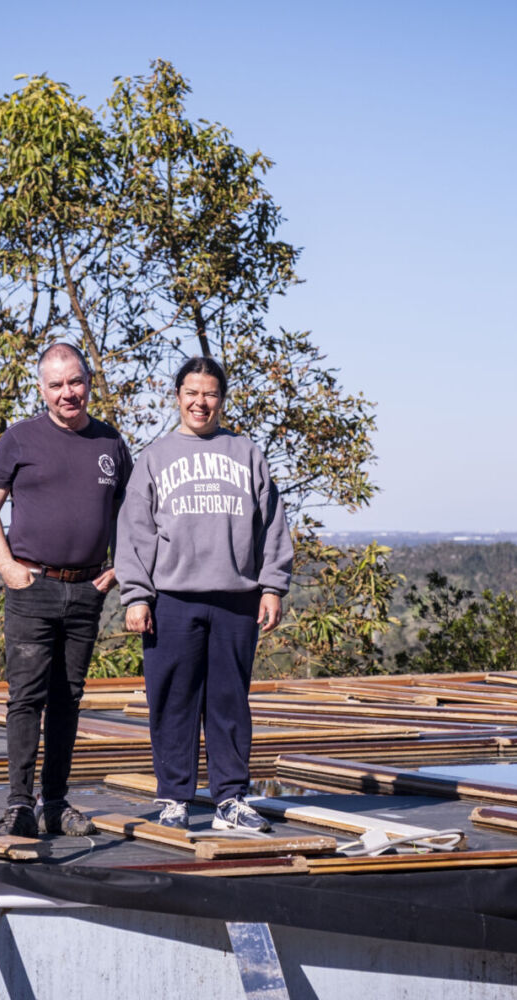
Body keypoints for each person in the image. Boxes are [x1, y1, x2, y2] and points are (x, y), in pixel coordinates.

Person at [115, 356, 292, 832]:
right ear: (178, 397)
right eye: (192, 392)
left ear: (222, 399)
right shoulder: (155, 457)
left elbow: (271, 524)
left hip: (237, 597)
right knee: (172, 701)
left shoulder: (247, 453)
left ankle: (231, 800)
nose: (201, 402)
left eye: (210, 393)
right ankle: (174, 799)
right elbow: (134, 532)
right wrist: (136, 595)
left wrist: (272, 585)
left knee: (230, 703)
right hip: (172, 599)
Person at [0, 342, 132, 837]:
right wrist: (6, 565)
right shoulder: (20, 439)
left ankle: (56, 803)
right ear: (42, 389)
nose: (69, 393)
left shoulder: (110, 442)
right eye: (57, 385)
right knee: (26, 698)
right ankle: (19, 806)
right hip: (33, 586)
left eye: (76, 381)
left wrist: (121, 566)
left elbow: (132, 514)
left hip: (87, 590)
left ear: (88, 381)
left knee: (68, 699)